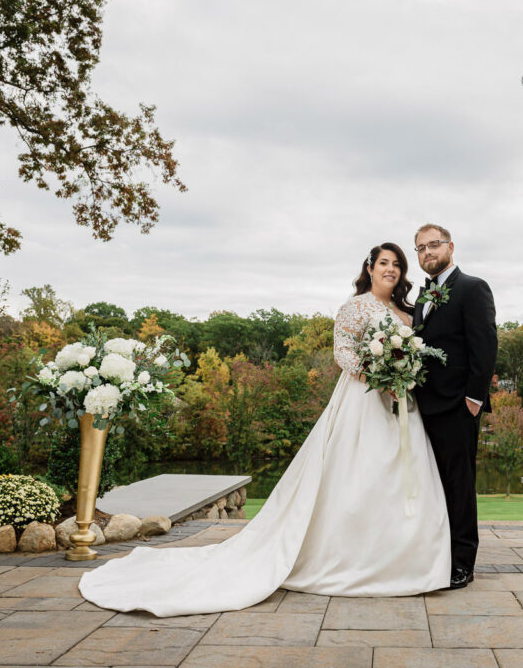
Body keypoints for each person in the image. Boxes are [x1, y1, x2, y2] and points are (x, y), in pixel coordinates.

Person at [79, 242, 451, 616]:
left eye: (396, 265)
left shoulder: (407, 311)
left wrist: (404, 375)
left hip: (402, 403)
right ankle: (350, 560)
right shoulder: (354, 307)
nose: (390, 269)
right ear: (369, 269)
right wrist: (379, 376)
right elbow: (344, 352)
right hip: (363, 401)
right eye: (383, 263)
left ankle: (405, 561)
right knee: (358, 478)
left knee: (403, 477)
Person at [412, 224, 497, 590]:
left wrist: (473, 400)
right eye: (420, 248)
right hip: (422, 407)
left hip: (457, 407)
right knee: (431, 486)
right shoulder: (421, 298)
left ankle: (463, 563)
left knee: (458, 486)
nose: (427, 252)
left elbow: (485, 345)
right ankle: (436, 556)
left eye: (434, 245)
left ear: (450, 247)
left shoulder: (472, 287)